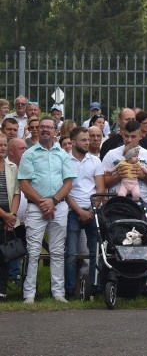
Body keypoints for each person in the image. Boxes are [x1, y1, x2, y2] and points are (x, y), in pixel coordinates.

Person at [17, 117, 76, 303]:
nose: (44, 130)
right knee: (33, 251)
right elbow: (24, 183)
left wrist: (54, 201)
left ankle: (58, 293)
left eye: (48, 127)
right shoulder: (30, 154)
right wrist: (43, 202)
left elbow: (69, 182)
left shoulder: (63, 154)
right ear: (37, 130)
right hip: (36, 207)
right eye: (41, 127)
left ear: (55, 131)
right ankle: (29, 294)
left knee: (58, 251)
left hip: (59, 206)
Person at [63, 127, 102, 299]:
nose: (88, 142)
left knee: (96, 253)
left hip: (92, 210)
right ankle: (70, 291)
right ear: (72, 142)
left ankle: (95, 288)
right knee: (71, 254)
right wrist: (79, 211)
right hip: (73, 210)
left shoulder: (95, 161)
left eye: (88, 139)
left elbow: (100, 189)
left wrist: (91, 210)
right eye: (84, 140)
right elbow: (65, 190)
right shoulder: (64, 161)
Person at [0, 134, 21, 301]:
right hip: (3, 215)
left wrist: (12, 216)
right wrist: (4, 215)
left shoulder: (12, 166)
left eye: (4, 145)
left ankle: (2, 290)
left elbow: (16, 193)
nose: (2, 148)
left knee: (4, 255)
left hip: (8, 218)